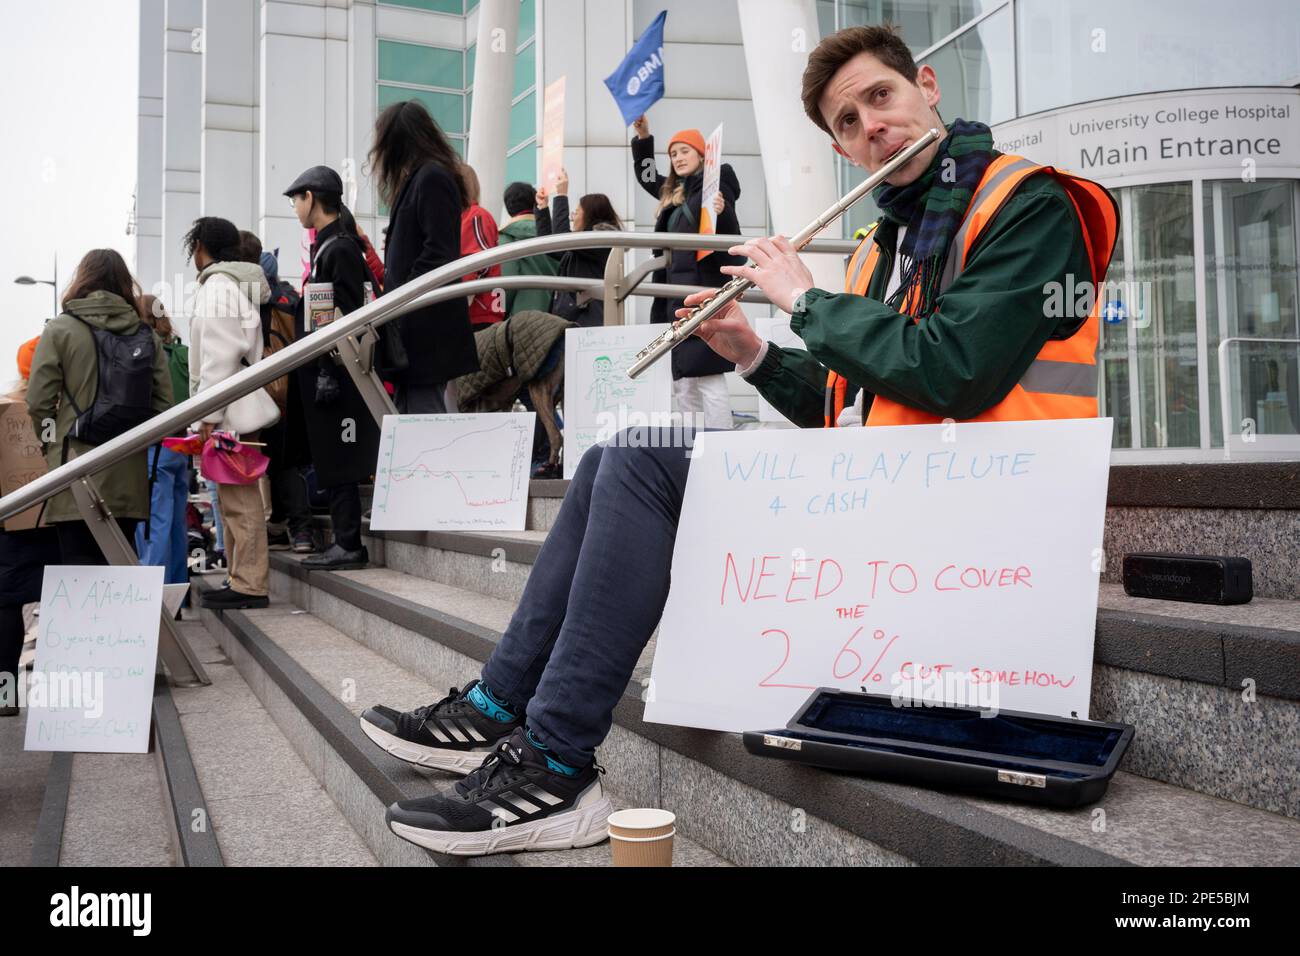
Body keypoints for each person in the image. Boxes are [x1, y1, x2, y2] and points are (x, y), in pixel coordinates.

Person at [361, 24, 1116, 856]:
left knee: (646, 460)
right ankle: (502, 707)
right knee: (627, 446)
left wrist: (804, 304)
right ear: (843, 148)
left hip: (992, 523)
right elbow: (851, 409)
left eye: (881, 97)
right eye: (849, 123)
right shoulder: (886, 244)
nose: (873, 126)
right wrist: (753, 353)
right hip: (898, 497)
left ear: (926, 88)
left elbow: (957, 371)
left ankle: (553, 759)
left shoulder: (1029, 203)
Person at [26, 249, 173, 567]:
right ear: (125, 284)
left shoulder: (60, 329)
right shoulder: (146, 334)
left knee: (79, 574)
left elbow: (38, 401)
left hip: (73, 471)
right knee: (119, 572)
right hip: (128, 477)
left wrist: (50, 441)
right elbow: (164, 407)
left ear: (82, 279)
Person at [285, 164, 383, 570]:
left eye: (296, 199)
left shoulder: (338, 248)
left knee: (339, 458)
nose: (294, 208)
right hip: (331, 372)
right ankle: (345, 542)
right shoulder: (333, 245)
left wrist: (326, 363)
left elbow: (346, 314)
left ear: (312, 198)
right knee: (332, 457)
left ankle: (348, 543)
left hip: (336, 375)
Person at [185, 216, 279, 609]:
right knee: (235, 501)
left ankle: (249, 583)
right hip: (233, 408)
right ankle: (242, 578)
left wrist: (206, 416)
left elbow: (220, 359)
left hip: (228, 413)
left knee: (239, 502)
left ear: (202, 247)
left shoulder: (218, 288)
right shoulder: (229, 286)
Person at [631, 116, 743, 429]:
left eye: (684, 151)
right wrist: (643, 138)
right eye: (673, 154)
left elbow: (731, 238)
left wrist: (725, 211)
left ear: (701, 155)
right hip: (673, 294)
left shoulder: (715, 187)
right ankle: (693, 448)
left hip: (702, 291)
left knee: (707, 375)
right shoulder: (674, 193)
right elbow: (647, 176)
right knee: (682, 379)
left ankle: (721, 440)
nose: (678, 158)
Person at [369, 99, 479, 413]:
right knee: (415, 420)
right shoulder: (423, 177)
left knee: (423, 424)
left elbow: (439, 253)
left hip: (424, 327)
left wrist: (401, 299)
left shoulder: (431, 177)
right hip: (417, 324)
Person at [0, 339, 63, 716]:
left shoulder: (6, 409)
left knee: (6, 602)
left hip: (12, 521)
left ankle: (4, 693)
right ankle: (58, 681)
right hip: (60, 516)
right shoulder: (65, 411)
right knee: (61, 595)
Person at [134, 295, 192, 588]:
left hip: (153, 448)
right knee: (176, 524)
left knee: (152, 525)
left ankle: (153, 594)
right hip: (181, 447)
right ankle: (176, 591)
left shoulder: (143, 355)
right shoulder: (181, 354)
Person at [534, 170, 622, 327]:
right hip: (575, 317)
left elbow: (562, 240)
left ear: (590, 215)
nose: (572, 217)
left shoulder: (602, 239)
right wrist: (542, 209)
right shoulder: (583, 247)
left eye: (576, 212)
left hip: (587, 320)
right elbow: (551, 246)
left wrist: (561, 196)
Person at [497, 180, 559, 318]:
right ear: (533, 202)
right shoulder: (558, 235)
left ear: (508, 207)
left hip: (524, 321)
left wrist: (498, 313)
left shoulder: (505, 239)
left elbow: (505, 283)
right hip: (560, 317)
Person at [458, 164, 505, 328]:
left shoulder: (476, 215)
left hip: (479, 312)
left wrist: (459, 301)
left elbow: (480, 262)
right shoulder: (469, 215)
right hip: (478, 310)